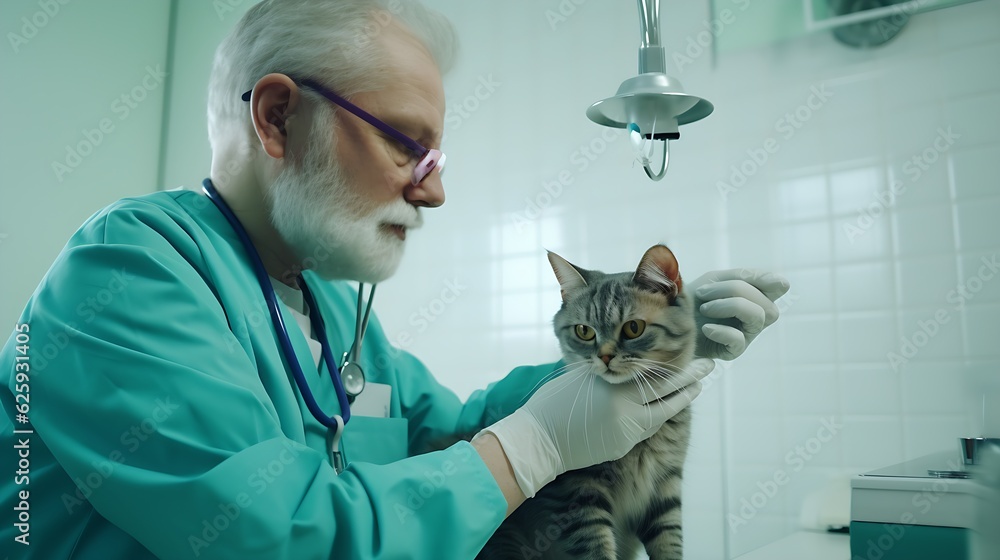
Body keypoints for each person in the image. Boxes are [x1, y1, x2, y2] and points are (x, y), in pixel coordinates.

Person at [0, 1, 789, 558]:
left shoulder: (338, 312)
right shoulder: (126, 273)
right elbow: (276, 536)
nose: (434, 190)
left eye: (436, 159)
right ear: (276, 118)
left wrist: (634, 358)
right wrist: (535, 446)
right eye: (406, 145)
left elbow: (447, 432)